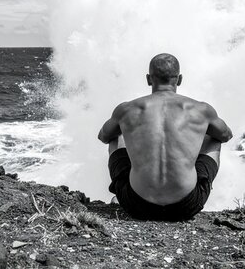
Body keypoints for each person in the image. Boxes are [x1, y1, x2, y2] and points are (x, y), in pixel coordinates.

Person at [98, 53, 233, 221]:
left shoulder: (127, 109)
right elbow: (226, 135)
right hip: (186, 206)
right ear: (180, 79)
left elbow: (103, 136)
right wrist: (195, 133)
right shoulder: (201, 109)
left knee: (116, 135)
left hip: (136, 204)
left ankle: (124, 192)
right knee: (214, 138)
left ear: (148, 79)